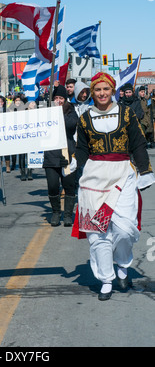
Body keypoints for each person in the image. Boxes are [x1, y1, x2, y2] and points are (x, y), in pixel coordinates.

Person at [72, 72, 155, 301]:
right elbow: (81, 148)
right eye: (97, 90)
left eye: (105, 89)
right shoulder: (85, 118)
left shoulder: (126, 114)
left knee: (125, 227)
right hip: (94, 178)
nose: (101, 94)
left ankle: (123, 264)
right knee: (98, 232)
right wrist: (76, 167)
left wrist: (145, 170)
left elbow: (138, 143)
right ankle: (106, 279)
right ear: (93, 92)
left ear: (112, 91)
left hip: (122, 174)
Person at [43, 85, 78, 226]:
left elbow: (71, 125)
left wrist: (58, 115)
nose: (58, 100)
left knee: (69, 186)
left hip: (67, 154)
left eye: (61, 98)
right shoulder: (46, 111)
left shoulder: (71, 110)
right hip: (51, 155)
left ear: (65, 99)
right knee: (52, 186)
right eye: (56, 98)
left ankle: (68, 215)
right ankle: (56, 212)